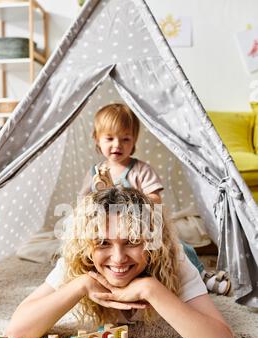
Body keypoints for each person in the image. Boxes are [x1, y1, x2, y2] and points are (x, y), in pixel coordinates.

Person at [6, 187, 236, 338]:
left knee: (189, 254)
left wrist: (150, 289)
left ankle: (205, 276)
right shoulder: (77, 258)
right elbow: (17, 332)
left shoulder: (172, 259)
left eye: (132, 241)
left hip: (184, 252)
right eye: (103, 243)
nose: (118, 258)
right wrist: (81, 285)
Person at [80, 103, 230, 295]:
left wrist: (127, 198)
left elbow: (155, 199)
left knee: (178, 247)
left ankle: (200, 275)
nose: (117, 145)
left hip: (138, 231)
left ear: (134, 142)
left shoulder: (140, 170)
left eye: (125, 139)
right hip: (107, 233)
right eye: (109, 138)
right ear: (97, 139)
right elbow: (83, 201)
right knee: (84, 247)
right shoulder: (94, 172)